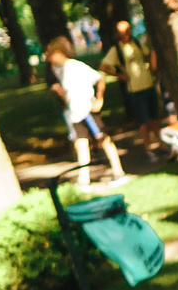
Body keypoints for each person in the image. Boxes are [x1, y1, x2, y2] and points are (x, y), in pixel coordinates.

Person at [45, 38, 128, 183]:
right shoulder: (60, 70)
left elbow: (99, 78)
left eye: (52, 55)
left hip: (88, 110)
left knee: (103, 139)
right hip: (75, 113)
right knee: (81, 144)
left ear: (59, 53)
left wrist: (99, 99)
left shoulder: (76, 66)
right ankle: (84, 179)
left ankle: (118, 171)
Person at [115, 28, 162, 128]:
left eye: (128, 30)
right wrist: (120, 75)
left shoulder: (136, 43)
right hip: (135, 89)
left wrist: (151, 66)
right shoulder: (117, 49)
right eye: (123, 32)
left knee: (154, 118)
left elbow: (149, 55)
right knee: (143, 120)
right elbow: (104, 66)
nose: (127, 34)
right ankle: (146, 138)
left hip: (148, 84)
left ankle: (158, 137)